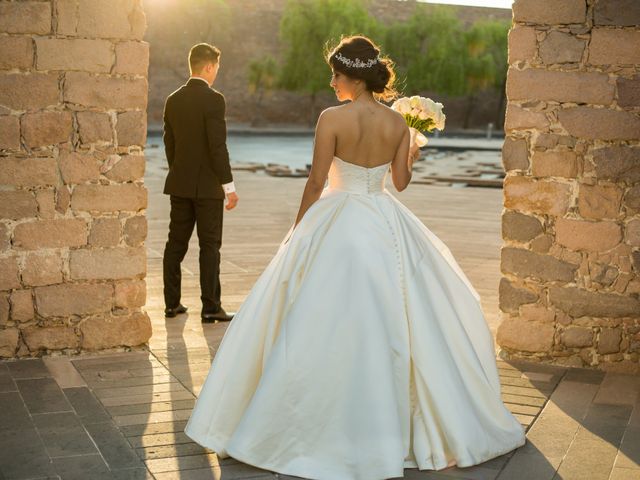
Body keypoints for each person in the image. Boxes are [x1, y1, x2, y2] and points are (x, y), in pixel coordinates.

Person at [184, 35, 526, 479]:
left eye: (336, 74)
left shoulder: (331, 119)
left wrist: (298, 228)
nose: (331, 82)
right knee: (400, 314)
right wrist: (411, 148)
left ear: (354, 77)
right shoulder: (398, 125)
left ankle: (304, 423)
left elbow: (316, 181)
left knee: (318, 317)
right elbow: (400, 183)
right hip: (384, 220)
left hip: (339, 216)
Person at [162, 43, 238, 322]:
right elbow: (218, 146)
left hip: (179, 185)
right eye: (216, 67)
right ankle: (211, 307)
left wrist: (179, 171)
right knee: (209, 247)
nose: (216, 72)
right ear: (208, 66)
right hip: (207, 189)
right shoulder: (214, 100)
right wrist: (229, 187)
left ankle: (172, 304)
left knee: (175, 244)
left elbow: (169, 143)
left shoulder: (172, 100)